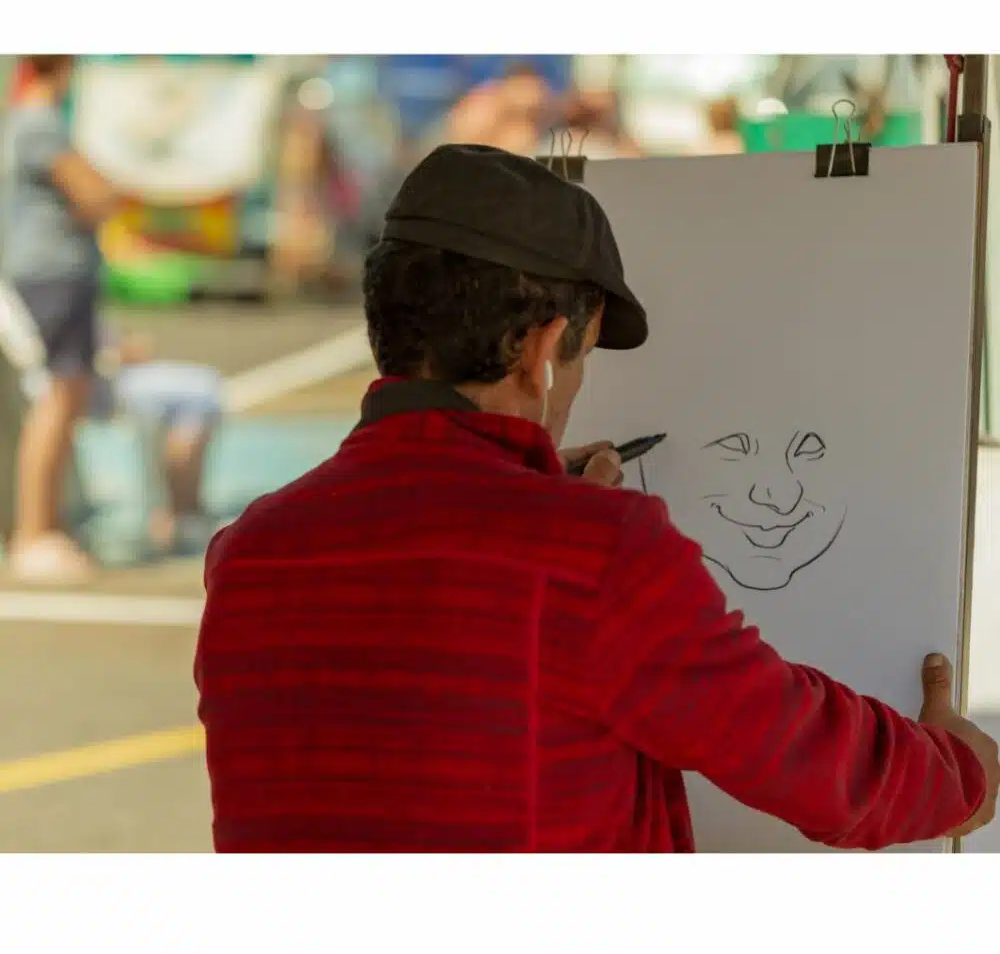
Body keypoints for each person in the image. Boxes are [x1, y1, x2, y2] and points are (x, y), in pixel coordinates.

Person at [194, 144, 998, 853]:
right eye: (582, 358)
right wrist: (962, 773)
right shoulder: (594, 555)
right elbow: (807, 759)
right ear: (543, 349)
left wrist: (548, 512)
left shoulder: (250, 551)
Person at [2, 54, 122, 582]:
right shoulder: (40, 122)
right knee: (56, 397)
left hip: (48, 273)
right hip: (51, 275)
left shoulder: (29, 119)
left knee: (61, 398)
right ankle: (34, 533)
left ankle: (45, 527)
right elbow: (95, 194)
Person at [89, 327, 222, 556]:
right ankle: (177, 511)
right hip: (105, 377)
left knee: (203, 387)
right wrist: (121, 352)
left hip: (111, 371)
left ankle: (182, 509)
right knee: (201, 390)